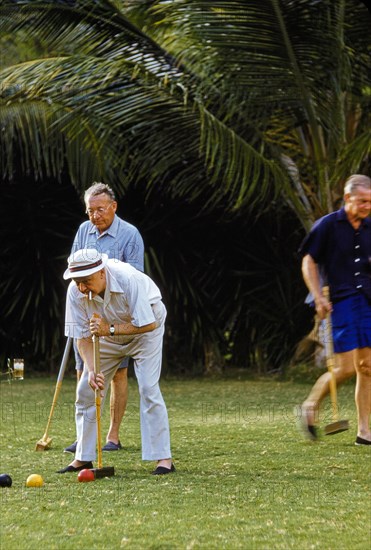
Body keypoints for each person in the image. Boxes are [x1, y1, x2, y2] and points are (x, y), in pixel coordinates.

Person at [58, 248, 174, 474]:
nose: (82, 288)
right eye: (77, 282)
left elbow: (148, 323)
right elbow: (81, 337)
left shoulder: (128, 279)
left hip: (145, 332)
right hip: (107, 336)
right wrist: (91, 370)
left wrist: (108, 329)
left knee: (149, 388)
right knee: (85, 390)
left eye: (86, 281)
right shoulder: (75, 291)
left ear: (102, 272)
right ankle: (83, 457)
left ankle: (163, 459)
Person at [64, 182, 144, 454]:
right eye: (90, 211)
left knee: (118, 373)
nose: (95, 216)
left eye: (100, 209)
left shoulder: (130, 234)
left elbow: (136, 277)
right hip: (86, 310)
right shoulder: (83, 230)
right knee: (84, 370)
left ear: (113, 207)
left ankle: (113, 435)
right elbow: (73, 264)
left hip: (115, 314)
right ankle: (86, 437)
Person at [297, 174, 371, 445]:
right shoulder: (327, 225)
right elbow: (309, 262)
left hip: (367, 300)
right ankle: (310, 406)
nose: (367, 206)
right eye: (362, 201)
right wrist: (317, 297)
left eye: (370, 202)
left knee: (367, 367)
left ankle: (364, 431)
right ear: (348, 197)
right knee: (345, 369)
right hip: (339, 300)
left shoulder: (369, 227)